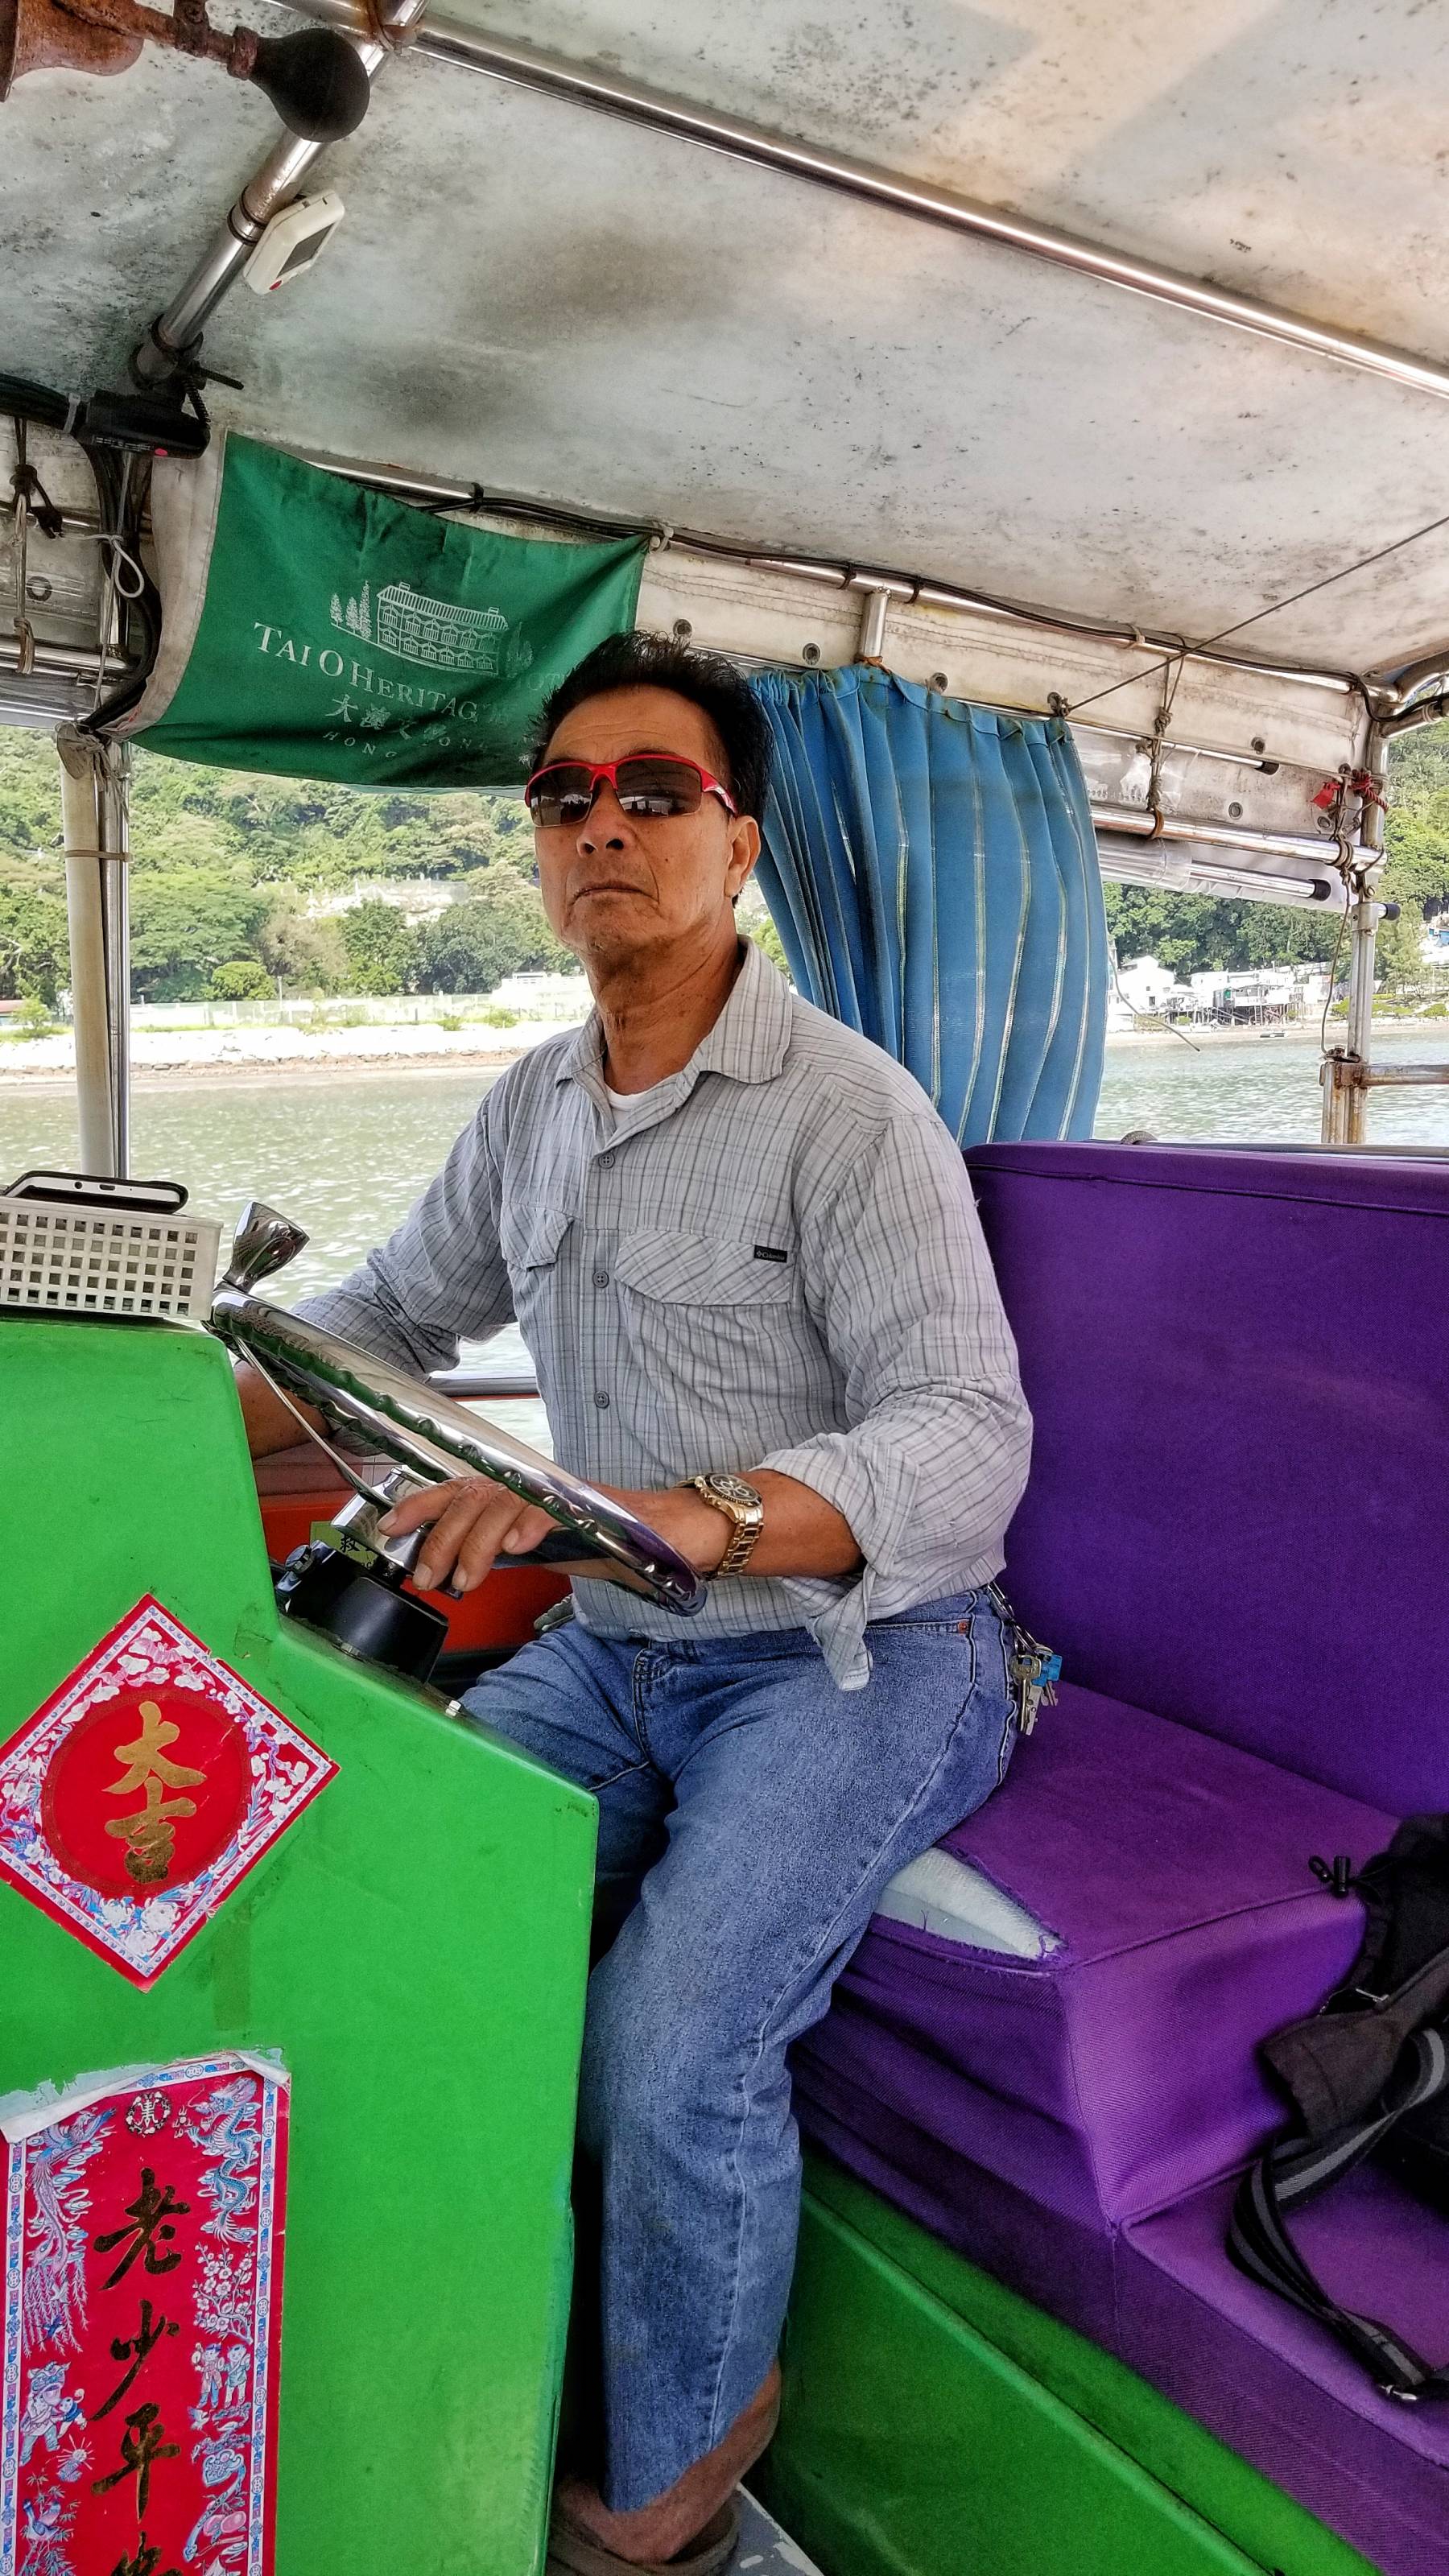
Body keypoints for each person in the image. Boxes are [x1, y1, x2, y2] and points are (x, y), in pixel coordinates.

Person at [239, 633, 1031, 2576]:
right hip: (613, 1652)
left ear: (738, 841)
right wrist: (163, 1370)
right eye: (564, 794)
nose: (603, 825)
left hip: (859, 1656)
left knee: (668, 2049)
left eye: (655, 791)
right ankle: (410, 2322)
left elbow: (966, 1436)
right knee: (394, 1894)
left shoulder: (852, 1115)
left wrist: (668, 1517)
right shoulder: (531, 1108)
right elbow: (386, 1318)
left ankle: (689, 2447)